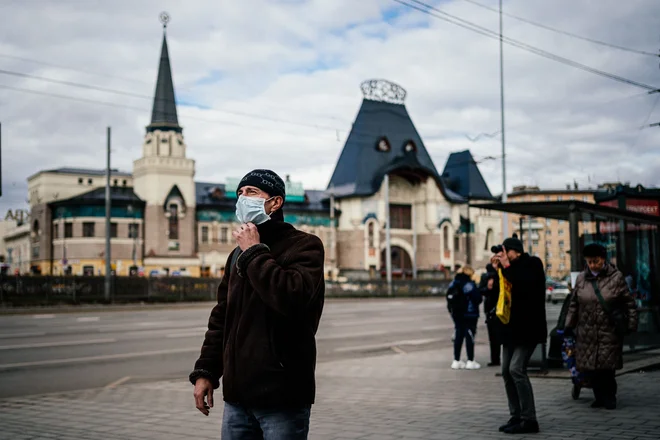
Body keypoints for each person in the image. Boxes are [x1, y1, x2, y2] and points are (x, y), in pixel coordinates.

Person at [189, 169, 325, 440]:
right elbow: (221, 317)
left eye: (251, 192)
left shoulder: (305, 246)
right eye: (240, 193)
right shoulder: (237, 254)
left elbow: (292, 298)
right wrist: (206, 371)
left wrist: (253, 251)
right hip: (238, 397)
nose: (243, 198)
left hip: (282, 395)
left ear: (275, 203)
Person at [564, 243, 638, 410]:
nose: (592, 265)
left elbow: (629, 303)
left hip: (608, 330)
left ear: (603, 259)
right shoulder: (582, 278)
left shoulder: (616, 277)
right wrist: (569, 325)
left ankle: (610, 397)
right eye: (589, 262)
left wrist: (631, 324)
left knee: (607, 368)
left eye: (596, 261)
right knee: (592, 368)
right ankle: (598, 397)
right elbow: (574, 304)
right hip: (587, 331)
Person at [492, 237, 547, 435]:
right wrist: (497, 270)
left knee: (516, 369)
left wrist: (506, 266)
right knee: (506, 370)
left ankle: (529, 419)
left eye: (505, 252)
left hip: (528, 329)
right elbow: (501, 296)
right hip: (510, 330)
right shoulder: (508, 268)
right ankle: (516, 416)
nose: (504, 256)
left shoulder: (533, 264)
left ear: (515, 251)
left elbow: (524, 286)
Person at [447, 266, 482, 370]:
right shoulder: (470, 284)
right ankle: (470, 361)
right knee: (469, 336)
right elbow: (478, 299)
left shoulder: (453, 283)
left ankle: (456, 361)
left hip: (457, 314)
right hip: (469, 314)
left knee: (458, 335)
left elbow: (448, 299)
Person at [479, 260, 501, 367]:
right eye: (495, 262)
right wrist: (488, 287)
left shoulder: (504, 273)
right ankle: (495, 359)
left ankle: (500, 359)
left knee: (502, 336)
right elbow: (481, 290)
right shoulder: (486, 276)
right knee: (493, 336)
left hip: (503, 307)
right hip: (491, 309)